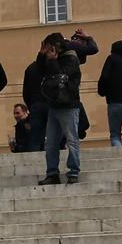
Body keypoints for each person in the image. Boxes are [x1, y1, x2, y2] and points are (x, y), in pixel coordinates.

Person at [38, 34, 82, 185]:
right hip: (54, 105)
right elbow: (39, 71)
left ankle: (73, 171)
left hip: (69, 105)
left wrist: (52, 60)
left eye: (49, 46)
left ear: (56, 46)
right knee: (50, 143)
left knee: (71, 140)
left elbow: (60, 77)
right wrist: (41, 55)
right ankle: (52, 173)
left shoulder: (70, 58)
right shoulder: (51, 59)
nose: (48, 50)